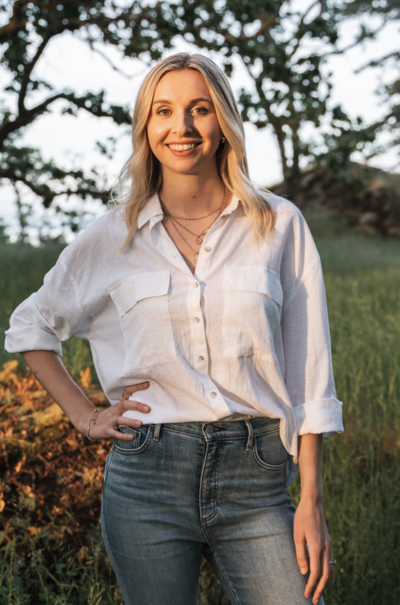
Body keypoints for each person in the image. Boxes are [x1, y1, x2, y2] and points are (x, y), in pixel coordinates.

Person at [5, 52, 343, 605]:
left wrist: (311, 499)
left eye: (199, 109)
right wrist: (86, 415)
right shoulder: (114, 235)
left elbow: (311, 373)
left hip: (256, 478)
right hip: (146, 479)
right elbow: (30, 327)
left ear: (224, 122)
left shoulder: (279, 224)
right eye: (163, 111)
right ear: (145, 128)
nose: (181, 127)